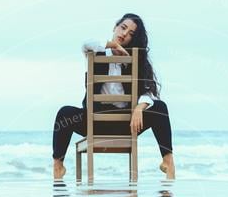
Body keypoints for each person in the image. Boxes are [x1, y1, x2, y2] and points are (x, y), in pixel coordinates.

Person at [52, 13, 175, 179]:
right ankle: (58, 166)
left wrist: (139, 107)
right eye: (123, 28)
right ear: (115, 27)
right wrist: (111, 45)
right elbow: (86, 43)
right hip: (93, 122)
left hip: (126, 124)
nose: (124, 34)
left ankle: (168, 162)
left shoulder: (135, 59)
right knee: (64, 113)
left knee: (160, 107)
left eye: (131, 33)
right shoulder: (96, 53)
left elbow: (148, 90)